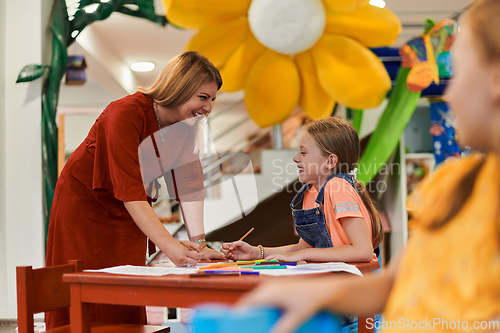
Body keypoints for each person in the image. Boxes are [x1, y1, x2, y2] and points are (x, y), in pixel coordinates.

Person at [236, 1, 500, 332]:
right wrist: (309, 291)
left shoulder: (336, 187)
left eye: (458, 72)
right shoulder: (451, 183)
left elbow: (358, 252)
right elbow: (393, 282)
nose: (450, 93)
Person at [45, 51, 225, 329]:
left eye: (212, 100)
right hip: (84, 207)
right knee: (83, 287)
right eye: (203, 97)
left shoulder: (186, 127)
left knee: (126, 291)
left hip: (130, 213)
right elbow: (129, 190)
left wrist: (199, 245)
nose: (209, 108)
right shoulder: (125, 112)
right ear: (180, 87)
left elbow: (190, 185)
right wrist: (170, 247)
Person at [221, 117, 384, 263]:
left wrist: (304, 255)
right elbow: (305, 247)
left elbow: (363, 251)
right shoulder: (310, 193)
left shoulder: (337, 187)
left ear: (330, 161)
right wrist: (256, 252)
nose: (296, 158)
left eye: (303, 152)